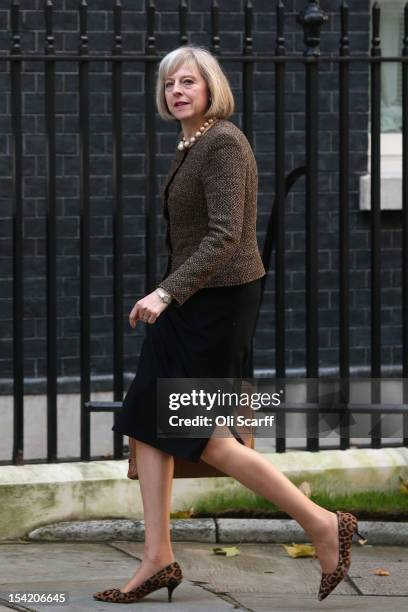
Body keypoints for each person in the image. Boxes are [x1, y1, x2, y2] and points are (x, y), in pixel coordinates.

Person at [93, 45, 363, 605]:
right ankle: (157, 558)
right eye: (170, 84)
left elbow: (225, 236)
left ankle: (322, 524)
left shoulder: (223, 142)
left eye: (188, 81)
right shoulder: (191, 145)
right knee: (146, 419)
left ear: (211, 86)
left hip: (217, 303)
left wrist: (166, 292)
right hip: (194, 301)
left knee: (206, 435)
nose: (177, 92)